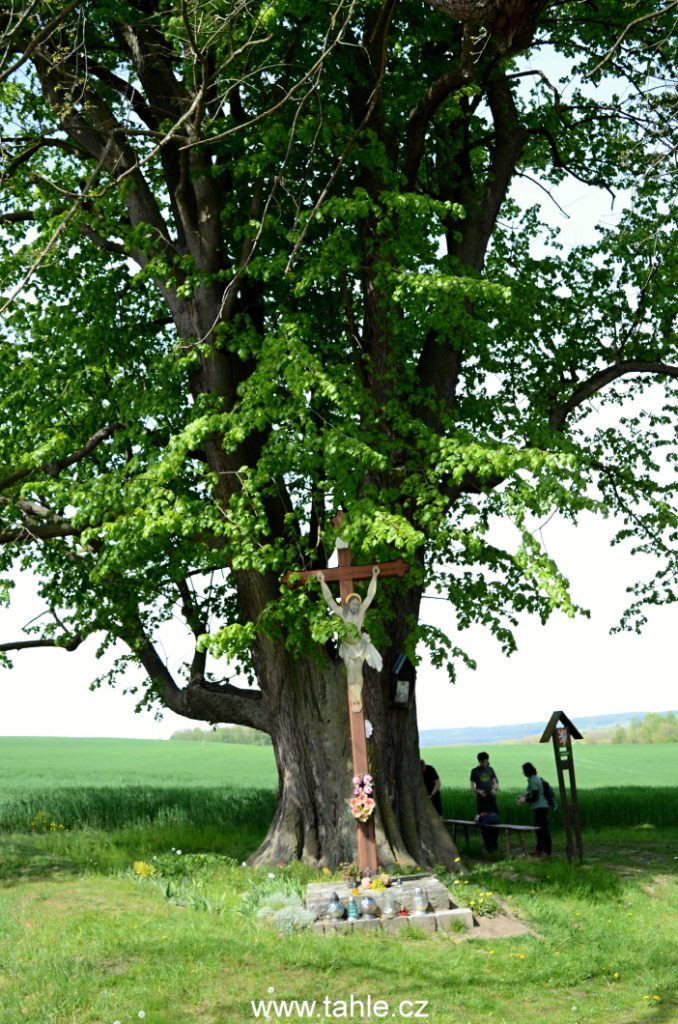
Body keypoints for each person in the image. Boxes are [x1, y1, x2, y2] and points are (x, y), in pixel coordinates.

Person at [316, 566, 382, 713]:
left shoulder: (361, 611)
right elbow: (329, 600)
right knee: (351, 671)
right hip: (347, 647)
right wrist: (322, 582)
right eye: (352, 604)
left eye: (357, 604)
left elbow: (370, 595)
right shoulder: (342, 613)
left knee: (358, 671)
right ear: (347, 604)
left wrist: (374, 576)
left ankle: (358, 697)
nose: (355, 606)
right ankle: (354, 698)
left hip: (359, 647)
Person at [516, 762, 552, 857]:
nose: (522, 772)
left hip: (540, 807)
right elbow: (532, 793)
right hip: (540, 807)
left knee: (543, 830)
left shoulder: (533, 781)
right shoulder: (534, 778)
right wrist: (523, 796)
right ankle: (539, 850)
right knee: (539, 829)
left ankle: (547, 851)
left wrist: (525, 799)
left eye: (523, 770)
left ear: (526, 771)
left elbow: (535, 797)